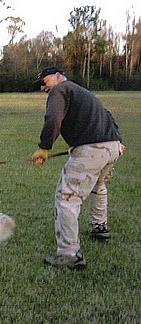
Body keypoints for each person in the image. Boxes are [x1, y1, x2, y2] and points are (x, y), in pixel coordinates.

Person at [31, 66, 123, 269]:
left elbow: (53, 118)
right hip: (112, 147)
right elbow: (106, 113)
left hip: (91, 150)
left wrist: (44, 147)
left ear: (57, 77)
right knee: (97, 187)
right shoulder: (82, 91)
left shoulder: (60, 89)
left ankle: (69, 253)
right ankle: (99, 226)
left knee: (67, 198)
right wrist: (117, 140)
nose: (42, 88)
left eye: (44, 82)